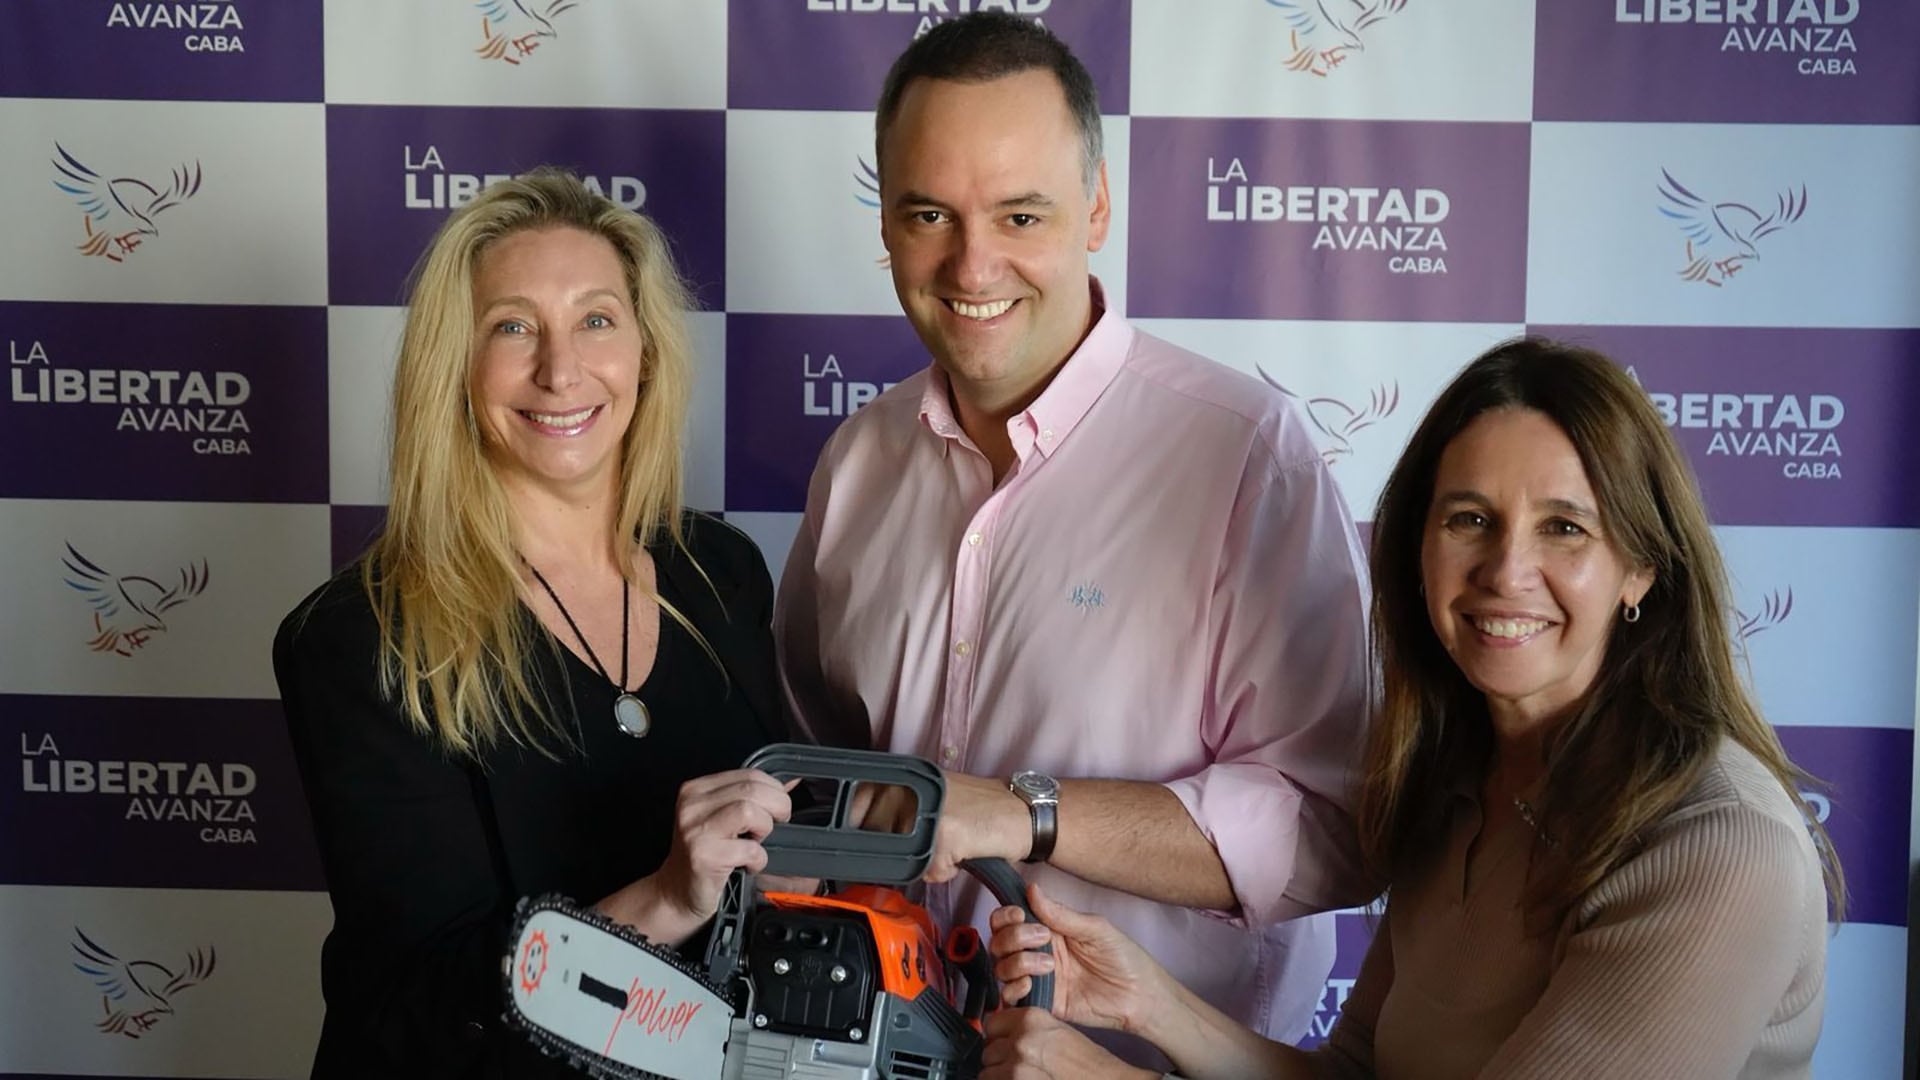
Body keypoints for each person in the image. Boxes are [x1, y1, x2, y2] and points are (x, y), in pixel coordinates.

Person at [981, 338, 1843, 1080]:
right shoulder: (1465, 787)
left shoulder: (1719, 846)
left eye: (1565, 528)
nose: (1506, 571)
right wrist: (1151, 1004)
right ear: (1417, 551)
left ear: (1641, 569)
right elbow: (1358, 1072)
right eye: (1470, 519)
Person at [773, 12, 1377, 1052]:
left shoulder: (1244, 453)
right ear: (887, 224)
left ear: (1096, 206)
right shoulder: (858, 462)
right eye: (929, 214)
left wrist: (1023, 814)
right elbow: (819, 771)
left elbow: (1337, 828)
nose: (973, 266)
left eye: (1020, 214)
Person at [275, 169, 795, 1078]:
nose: (560, 371)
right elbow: (423, 1007)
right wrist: (668, 899)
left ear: (645, 352)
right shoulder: (359, 639)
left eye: (596, 319)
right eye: (512, 327)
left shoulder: (721, 572)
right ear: (456, 366)